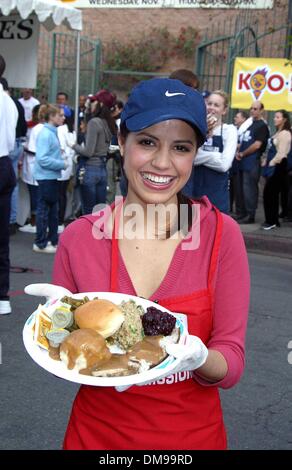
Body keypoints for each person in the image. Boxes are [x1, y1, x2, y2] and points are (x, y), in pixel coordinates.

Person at [51, 78, 250, 449]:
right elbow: (65, 361)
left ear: (194, 155)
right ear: (122, 142)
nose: (162, 162)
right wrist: (55, 331)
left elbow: (232, 361)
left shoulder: (220, 235)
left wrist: (197, 357)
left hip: (192, 441)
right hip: (96, 439)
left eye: (180, 147)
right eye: (147, 142)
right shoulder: (79, 238)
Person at [183, 90, 238, 213]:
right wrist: (216, 155)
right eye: (209, 103)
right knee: (193, 230)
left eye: (216, 105)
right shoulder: (195, 129)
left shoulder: (229, 130)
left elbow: (224, 165)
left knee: (217, 230)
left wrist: (200, 156)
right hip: (193, 191)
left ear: (224, 110)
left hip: (217, 195)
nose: (212, 108)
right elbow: (189, 159)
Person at [72, 90, 116, 214]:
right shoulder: (108, 122)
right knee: (100, 212)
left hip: (90, 169)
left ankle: (87, 234)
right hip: (103, 170)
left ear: (100, 104)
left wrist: (73, 145)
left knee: (88, 212)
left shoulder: (94, 122)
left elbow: (88, 152)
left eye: (93, 101)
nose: (90, 104)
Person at [33, 105, 67, 254]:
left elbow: (45, 156)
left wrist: (58, 154)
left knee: (52, 211)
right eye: (60, 115)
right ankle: (40, 243)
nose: (63, 117)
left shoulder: (51, 133)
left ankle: (52, 241)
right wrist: (62, 163)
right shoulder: (46, 134)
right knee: (45, 211)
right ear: (51, 117)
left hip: (50, 177)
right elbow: (42, 159)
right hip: (46, 177)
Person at [0, 55, 18, 315]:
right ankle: (2, 297)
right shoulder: (8, 101)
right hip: (4, 165)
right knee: (1, 238)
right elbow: (13, 141)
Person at [235, 101, 269, 224]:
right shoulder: (250, 124)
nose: (252, 111)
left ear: (261, 111)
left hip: (252, 162)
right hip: (242, 162)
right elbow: (245, 140)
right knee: (241, 189)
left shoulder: (262, 126)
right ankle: (242, 213)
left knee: (249, 189)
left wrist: (243, 153)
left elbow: (257, 145)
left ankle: (250, 215)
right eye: (251, 108)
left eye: (255, 109)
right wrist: (238, 148)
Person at [262, 110, 292, 230]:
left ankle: (272, 221)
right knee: (269, 194)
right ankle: (270, 220)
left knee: (271, 194)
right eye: (274, 117)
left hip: (278, 166)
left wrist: (271, 163)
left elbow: (282, 153)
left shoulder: (285, 133)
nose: (274, 119)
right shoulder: (278, 132)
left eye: (277, 117)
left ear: (284, 119)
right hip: (272, 165)